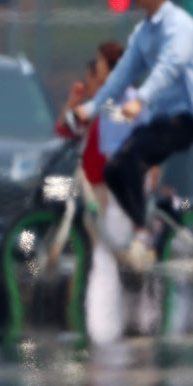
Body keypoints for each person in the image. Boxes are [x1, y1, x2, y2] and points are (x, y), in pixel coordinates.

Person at [76, 0, 193, 271]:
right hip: (160, 119)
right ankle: (146, 223)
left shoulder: (181, 27)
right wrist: (91, 107)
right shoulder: (142, 33)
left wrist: (142, 98)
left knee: (132, 159)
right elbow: (121, 76)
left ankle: (143, 235)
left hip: (185, 117)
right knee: (113, 170)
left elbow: (168, 67)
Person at [55, 42, 137, 345]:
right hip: (95, 188)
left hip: (112, 188)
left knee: (106, 253)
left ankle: (105, 326)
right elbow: (65, 129)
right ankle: (102, 322)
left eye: (95, 73)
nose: (89, 82)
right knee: (100, 250)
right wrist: (73, 100)